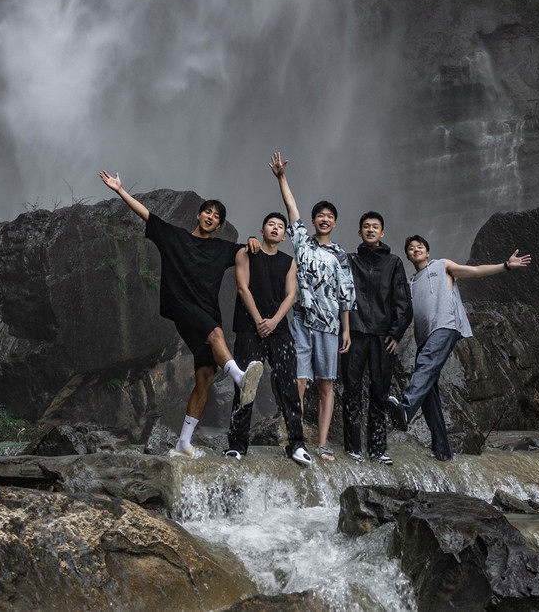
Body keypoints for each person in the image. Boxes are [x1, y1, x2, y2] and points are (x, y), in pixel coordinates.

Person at [99, 170, 263, 459]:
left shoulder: (222, 249)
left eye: (216, 216)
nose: (210, 217)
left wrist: (252, 241)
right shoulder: (174, 237)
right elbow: (147, 215)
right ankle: (240, 378)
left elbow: (245, 252)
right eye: (207, 211)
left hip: (207, 310)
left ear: (219, 224)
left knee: (205, 376)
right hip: (182, 307)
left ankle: (183, 443)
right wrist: (120, 191)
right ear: (198, 215)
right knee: (216, 334)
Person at [389, 235, 531, 461]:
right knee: (428, 392)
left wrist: (505, 265)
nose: (416, 249)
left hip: (445, 326)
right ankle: (442, 450)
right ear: (407, 255)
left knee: (425, 366)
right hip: (424, 337)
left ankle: (405, 409)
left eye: (420, 246)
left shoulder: (442, 265)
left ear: (427, 252)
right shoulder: (411, 283)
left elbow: (474, 271)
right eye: (411, 248)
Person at [269, 152, 356, 462]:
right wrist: (281, 177)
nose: (324, 219)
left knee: (326, 384)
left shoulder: (340, 255)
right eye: (320, 215)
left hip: (330, 326)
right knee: (299, 382)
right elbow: (291, 208)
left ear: (334, 222)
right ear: (314, 220)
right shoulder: (302, 243)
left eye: (329, 216)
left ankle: (322, 443)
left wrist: (346, 329)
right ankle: (296, 441)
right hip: (302, 322)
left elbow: (346, 294)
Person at [224, 212, 312, 466]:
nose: (275, 228)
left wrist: (273, 321)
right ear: (261, 231)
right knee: (245, 384)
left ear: (284, 236)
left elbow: (290, 295)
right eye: (271, 224)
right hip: (249, 327)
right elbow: (242, 288)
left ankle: (296, 444)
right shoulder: (246, 253)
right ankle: (237, 445)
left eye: (280, 226)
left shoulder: (288, 262)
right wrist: (259, 320)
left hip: (278, 329)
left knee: (289, 385)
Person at [342, 211, 412, 465]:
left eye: (375, 227)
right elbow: (340, 293)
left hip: (382, 336)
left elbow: (403, 299)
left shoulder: (394, 263)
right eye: (366, 226)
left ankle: (377, 449)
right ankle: (353, 447)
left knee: (380, 391)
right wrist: (344, 329)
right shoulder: (349, 260)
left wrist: (396, 332)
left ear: (382, 233)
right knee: (351, 390)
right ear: (359, 232)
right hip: (355, 333)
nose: (370, 230)